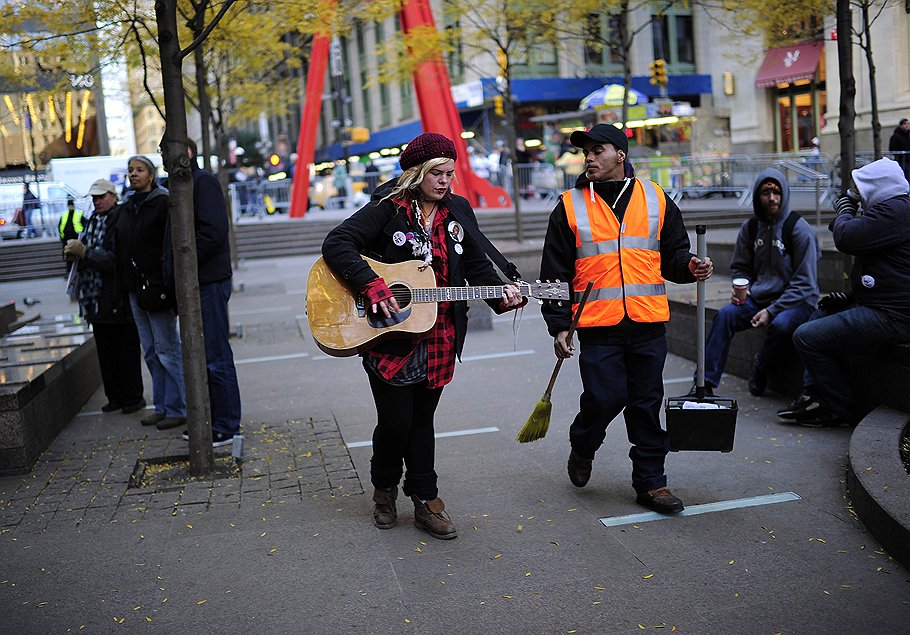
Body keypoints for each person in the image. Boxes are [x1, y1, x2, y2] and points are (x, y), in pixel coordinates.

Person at [321, 132, 524, 540]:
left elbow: (476, 265)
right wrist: (372, 286)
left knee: (423, 421)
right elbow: (337, 243)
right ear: (417, 173)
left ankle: (425, 500)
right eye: (438, 173)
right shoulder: (387, 208)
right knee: (396, 423)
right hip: (391, 336)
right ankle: (383, 491)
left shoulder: (459, 211)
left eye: (451, 172)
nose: (446, 180)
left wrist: (502, 297)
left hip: (440, 336)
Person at [539, 123, 713, 515]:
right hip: (598, 324)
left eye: (597, 150)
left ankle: (652, 483)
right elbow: (553, 274)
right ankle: (584, 442)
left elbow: (673, 255)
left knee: (646, 404)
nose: (589, 158)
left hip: (648, 322)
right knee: (604, 397)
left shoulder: (655, 198)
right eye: (587, 152)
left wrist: (691, 266)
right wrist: (558, 325)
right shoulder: (569, 205)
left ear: (620, 154)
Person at [780, 157, 910, 427]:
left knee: (806, 336)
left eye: (862, 191)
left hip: (893, 316)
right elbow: (884, 269)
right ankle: (813, 396)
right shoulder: (895, 210)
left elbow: (846, 237)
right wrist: (850, 297)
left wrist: (845, 208)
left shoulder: (895, 211)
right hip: (882, 306)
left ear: (879, 187)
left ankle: (840, 408)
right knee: (821, 313)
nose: (859, 198)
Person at [700, 169, 819, 396]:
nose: (772, 198)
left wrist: (772, 310)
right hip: (759, 298)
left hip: (797, 302)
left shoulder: (799, 229)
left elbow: (805, 283)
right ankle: (704, 383)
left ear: (784, 194)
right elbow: (740, 267)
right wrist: (739, 287)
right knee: (725, 315)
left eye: (776, 192)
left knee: (782, 324)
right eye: (766, 192)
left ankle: (761, 366)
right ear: (757, 195)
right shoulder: (751, 227)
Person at [167, 139, 241, 449]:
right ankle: (215, 422)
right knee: (205, 356)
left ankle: (226, 425)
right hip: (198, 281)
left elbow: (212, 232)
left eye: (166, 150)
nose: (163, 156)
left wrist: (184, 263)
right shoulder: (184, 185)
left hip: (207, 281)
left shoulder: (203, 183)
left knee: (215, 356)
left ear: (186, 153)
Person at [115, 155, 187, 431]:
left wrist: (165, 282)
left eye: (139, 170)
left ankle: (180, 406)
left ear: (151, 175)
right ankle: (162, 406)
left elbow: (168, 248)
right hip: (135, 290)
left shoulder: (161, 202)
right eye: (131, 170)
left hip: (157, 289)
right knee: (151, 352)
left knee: (168, 349)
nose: (133, 174)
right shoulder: (127, 207)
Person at [63, 179, 145, 414]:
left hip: (116, 296)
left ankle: (132, 398)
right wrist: (74, 254)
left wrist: (86, 253)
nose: (97, 201)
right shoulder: (91, 221)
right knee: (106, 352)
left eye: (101, 197)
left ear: (113, 196)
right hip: (95, 299)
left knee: (125, 351)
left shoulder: (121, 218)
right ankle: (115, 397)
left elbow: (116, 261)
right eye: (94, 198)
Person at [59, 197, 84, 274]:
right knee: (68, 256)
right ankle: (68, 271)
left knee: (76, 255)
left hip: (76, 238)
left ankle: (76, 271)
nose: (70, 207)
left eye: (71, 205)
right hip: (66, 239)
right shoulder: (64, 215)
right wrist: (61, 236)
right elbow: (60, 226)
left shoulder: (78, 214)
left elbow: (84, 224)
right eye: (69, 205)